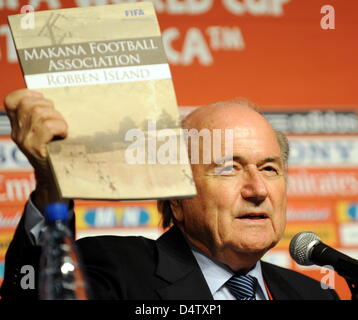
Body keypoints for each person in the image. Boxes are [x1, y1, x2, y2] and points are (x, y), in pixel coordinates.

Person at [0, 89, 339, 300]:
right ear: (176, 196)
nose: (257, 189)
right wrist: (50, 186)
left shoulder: (313, 295)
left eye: (269, 169)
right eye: (229, 168)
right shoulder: (109, 269)